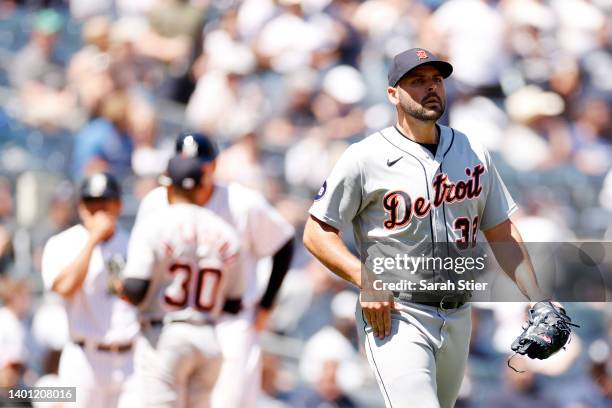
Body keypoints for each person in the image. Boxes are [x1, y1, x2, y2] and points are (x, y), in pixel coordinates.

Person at [303, 48, 556, 408]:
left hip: (459, 316)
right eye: (417, 81)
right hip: (398, 314)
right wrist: (365, 279)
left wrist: (538, 300)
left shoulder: (472, 151)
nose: (431, 88)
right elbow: (316, 232)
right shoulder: (365, 157)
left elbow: (502, 233)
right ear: (393, 93)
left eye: (436, 79)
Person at [135, 132, 295, 408]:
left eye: (202, 164)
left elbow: (284, 244)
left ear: (214, 166)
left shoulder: (242, 202)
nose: (195, 170)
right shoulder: (155, 202)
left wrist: (266, 306)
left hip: (229, 321)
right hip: (168, 321)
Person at [119, 155, 244, 408]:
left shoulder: (153, 223)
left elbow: (135, 289)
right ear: (202, 187)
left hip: (166, 335)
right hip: (209, 339)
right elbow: (233, 303)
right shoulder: (228, 233)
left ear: (167, 187)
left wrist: (116, 284)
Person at [41, 172, 139, 408]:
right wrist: (93, 239)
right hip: (84, 358)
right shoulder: (63, 243)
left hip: (130, 358)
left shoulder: (134, 244)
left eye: (105, 204)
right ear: (81, 206)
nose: (98, 211)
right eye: (91, 204)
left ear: (118, 205)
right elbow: (64, 288)